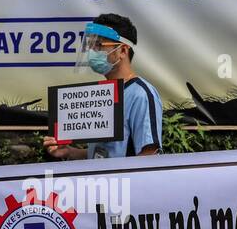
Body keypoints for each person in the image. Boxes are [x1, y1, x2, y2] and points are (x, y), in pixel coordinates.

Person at [43, 13, 164, 160]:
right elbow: (100, 155)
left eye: (99, 45)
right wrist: (69, 152)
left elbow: (149, 156)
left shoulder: (141, 94)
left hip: (125, 182)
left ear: (123, 51)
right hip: (102, 182)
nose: (92, 52)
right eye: (90, 45)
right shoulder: (103, 94)